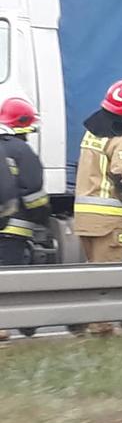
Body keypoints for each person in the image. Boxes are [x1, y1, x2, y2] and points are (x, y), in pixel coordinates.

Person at [73, 80, 122, 334]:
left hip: (84, 217)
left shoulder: (92, 133)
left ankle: (89, 321)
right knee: (109, 277)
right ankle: (102, 329)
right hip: (109, 219)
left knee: (94, 275)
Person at [0, 98, 48, 341]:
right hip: (14, 227)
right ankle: (13, 323)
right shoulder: (22, 151)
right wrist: (43, 220)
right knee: (11, 278)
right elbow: (35, 193)